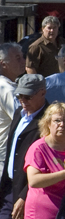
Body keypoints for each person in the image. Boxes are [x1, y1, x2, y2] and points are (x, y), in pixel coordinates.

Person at [0, 74, 48, 219]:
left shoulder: (49, 120)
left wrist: (24, 194)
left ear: (42, 94)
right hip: (11, 191)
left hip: (36, 196)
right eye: (19, 96)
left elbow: (48, 165)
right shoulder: (20, 113)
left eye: (28, 97)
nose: (22, 100)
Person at [0, 43, 25, 171]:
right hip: (5, 158)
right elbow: (24, 117)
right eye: (17, 58)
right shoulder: (7, 90)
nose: (23, 61)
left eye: (22, 57)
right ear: (3, 64)